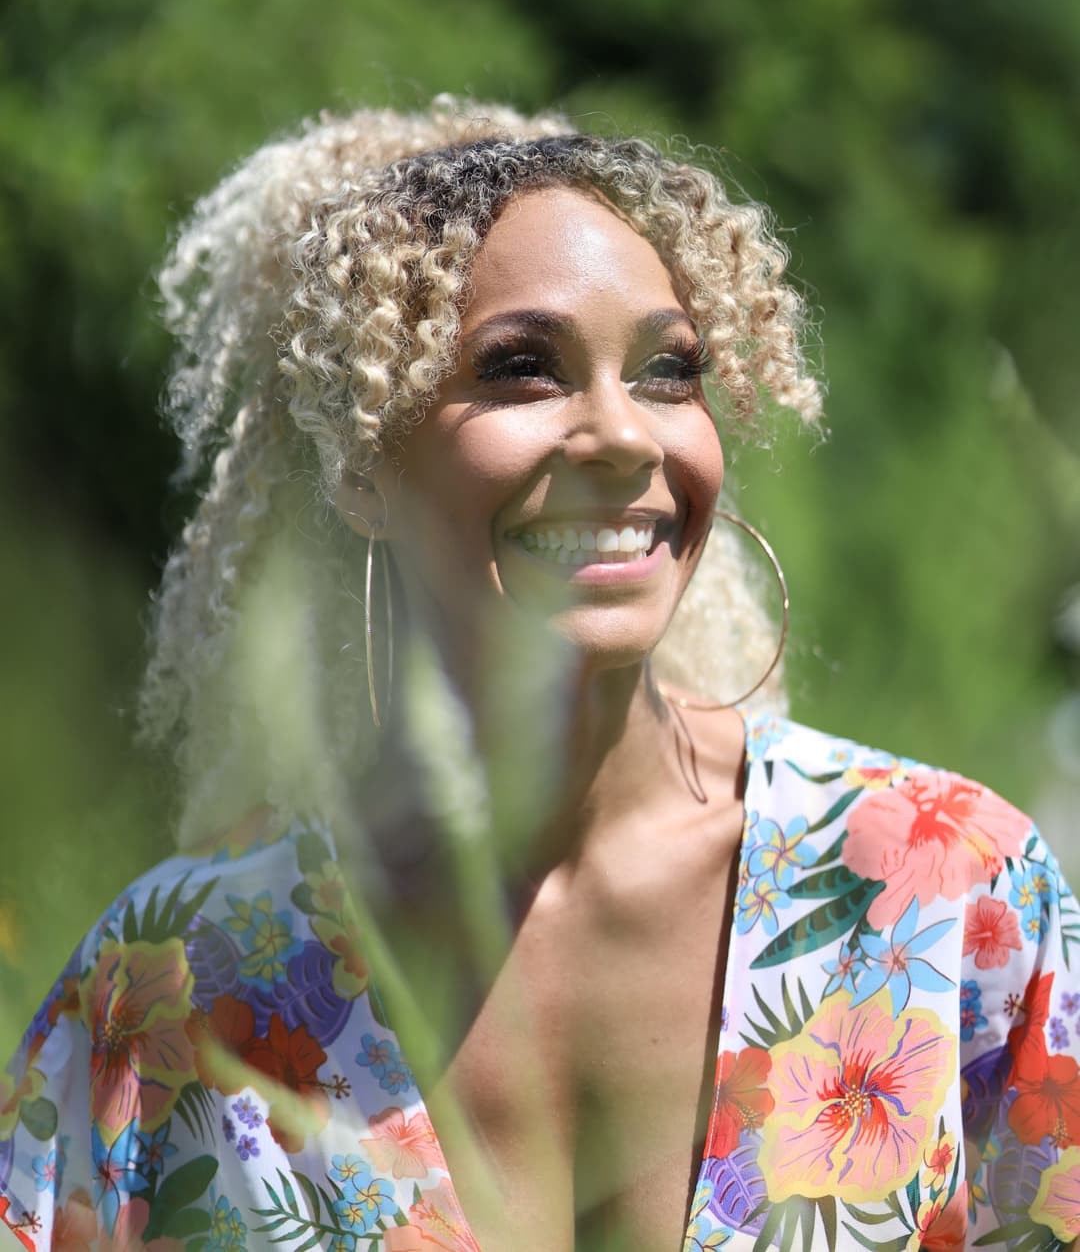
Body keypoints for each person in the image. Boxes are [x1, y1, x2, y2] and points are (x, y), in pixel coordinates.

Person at [1, 97, 1077, 1252]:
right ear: (362, 464)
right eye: (523, 368)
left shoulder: (951, 895)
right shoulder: (168, 983)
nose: (622, 435)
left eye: (669, 370)